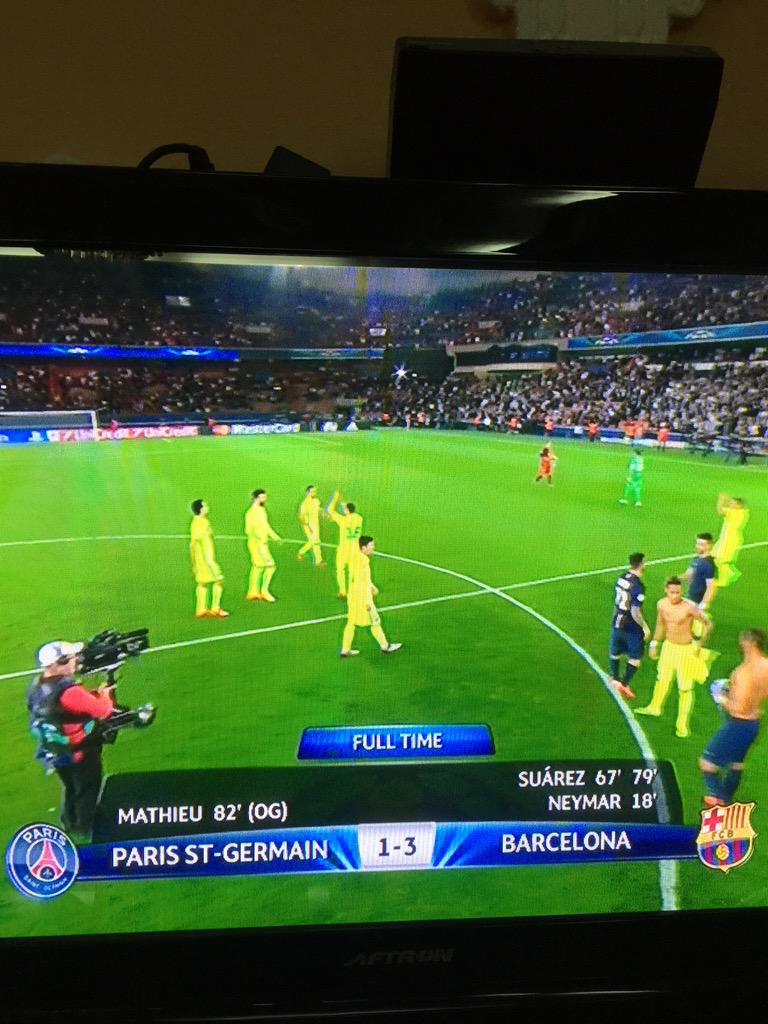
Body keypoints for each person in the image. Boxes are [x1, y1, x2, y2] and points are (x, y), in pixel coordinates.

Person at [26, 640, 115, 838]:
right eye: (71, 658)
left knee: (70, 787)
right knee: (88, 787)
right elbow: (103, 710)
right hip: (79, 749)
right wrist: (105, 693)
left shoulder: (36, 686)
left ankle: (68, 821)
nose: (76, 660)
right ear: (60, 663)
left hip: (54, 750)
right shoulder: (69, 691)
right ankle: (84, 825)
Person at [636, 577, 713, 738]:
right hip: (668, 647)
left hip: (686, 651)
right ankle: (654, 707)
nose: (675, 595)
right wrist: (654, 643)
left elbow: (708, 624)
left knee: (685, 689)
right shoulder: (661, 604)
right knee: (661, 679)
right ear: (666, 590)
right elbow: (660, 624)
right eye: (672, 592)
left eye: (678, 592)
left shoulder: (689, 607)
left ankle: (682, 725)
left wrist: (700, 644)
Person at [700, 630, 768, 806]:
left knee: (707, 763)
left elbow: (739, 708)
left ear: (749, 643)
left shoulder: (743, 672)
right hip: (753, 723)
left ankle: (719, 799)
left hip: (738, 724)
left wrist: (721, 697)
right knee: (736, 764)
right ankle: (726, 798)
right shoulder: (766, 665)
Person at [340, 536, 402, 657]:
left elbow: (358, 578)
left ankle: (345, 649)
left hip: (352, 596)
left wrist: (372, 587)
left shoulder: (354, 557)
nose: (373, 548)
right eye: (371, 546)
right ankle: (385, 646)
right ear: (363, 548)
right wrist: (367, 601)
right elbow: (361, 581)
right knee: (375, 622)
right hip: (363, 598)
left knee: (351, 622)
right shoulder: (364, 560)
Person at [609, 552, 651, 700]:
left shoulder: (621, 578)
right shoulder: (638, 586)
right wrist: (644, 627)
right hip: (630, 625)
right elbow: (635, 611)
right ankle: (623, 683)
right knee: (635, 657)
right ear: (641, 564)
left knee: (615, 651)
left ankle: (614, 678)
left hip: (617, 619)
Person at [189, 499, 228, 618]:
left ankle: (201, 609)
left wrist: (194, 561)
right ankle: (215, 608)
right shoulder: (201, 524)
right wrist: (210, 562)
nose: (207, 507)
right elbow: (197, 541)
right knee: (219, 581)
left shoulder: (198, 521)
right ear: (201, 509)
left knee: (202, 583)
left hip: (201, 560)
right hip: (207, 560)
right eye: (205, 506)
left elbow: (193, 544)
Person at [325, 490, 363, 599]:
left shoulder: (343, 520)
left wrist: (335, 498)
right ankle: (362, 589)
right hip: (355, 549)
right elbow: (350, 512)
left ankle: (342, 591)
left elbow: (329, 510)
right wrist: (345, 506)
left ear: (347, 510)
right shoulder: (359, 518)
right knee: (354, 571)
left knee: (341, 570)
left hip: (344, 549)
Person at [245, 489, 281, 603]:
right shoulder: (251, 513)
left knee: (258, 567)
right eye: (262, 497)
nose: (264, 499)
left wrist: (275, 536)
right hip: (257, 544)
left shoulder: (261, 510)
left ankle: (253, 591)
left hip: (261, 543)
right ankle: (264, 591)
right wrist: (260, 539)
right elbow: (248, 530)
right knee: (270, 566)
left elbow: (266, 526)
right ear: (256, 498)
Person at [712, 494, 748, 589]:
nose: (730, 504)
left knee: (722, 560)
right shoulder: (742, 512)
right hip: (727, 538)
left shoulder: (733, 512)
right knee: (715, 557)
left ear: (738, 505)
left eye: (732, 503)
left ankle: (723, 581)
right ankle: (732, 572)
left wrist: (720, 500)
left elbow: (720, 511)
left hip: (729, 540)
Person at [683, 532, 717, 627]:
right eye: (697, 543)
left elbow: (711, 587)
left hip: (697, 600)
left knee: (703, 626)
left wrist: (704, 603)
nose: (698, 546)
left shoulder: (709, 565)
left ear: (709, 546)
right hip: (690, 597)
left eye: (701, 544)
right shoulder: (696, 559)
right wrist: (674, 579)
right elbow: (688, 575)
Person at [297, 485, 325, 567]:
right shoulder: (305, 504)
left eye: (315, 491)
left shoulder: (316, 501)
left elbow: (318, 509)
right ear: (307, 492)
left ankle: (302, 553)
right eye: (312, 491)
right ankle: (317, 560)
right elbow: (301, 516)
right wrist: (307, 526)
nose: (314, 493)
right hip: (309, 526)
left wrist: (322, 511)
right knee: (314, 541)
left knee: (315, 541)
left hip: (316, 525)